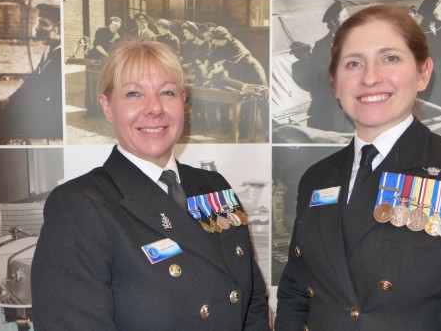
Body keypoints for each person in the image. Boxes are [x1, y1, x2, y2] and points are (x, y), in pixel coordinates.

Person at [275, 4, 441, 330]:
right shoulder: (317, 179)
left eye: (390, 58)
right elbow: (296, 293)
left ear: (423, 72)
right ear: (335, 82)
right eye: (353, 63)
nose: (370, 77)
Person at [31, 38, 270, 330]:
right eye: (134, 93)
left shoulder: (214, 186)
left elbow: (253, 300)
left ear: (183, 103)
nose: (154, 108)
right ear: (107, 107)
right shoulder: (78, 206)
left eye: (167, 92)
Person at [0, 3, 62, 144]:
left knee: (3, 119)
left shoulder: (59, 57)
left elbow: (38, 91)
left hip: (55, 118)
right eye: (38, 23)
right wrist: (10, 99)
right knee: (4, 114)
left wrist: (13, 104)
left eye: (43, 23)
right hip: (46, 109)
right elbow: (33, 80)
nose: (37, 28)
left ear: (59, 27)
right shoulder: (50, 49)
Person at [205, 26, 268, 138]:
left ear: (223, 38)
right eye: (214, 40)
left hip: (253, 72)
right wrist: (205, 67)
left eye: (217, 40)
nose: (215, 42)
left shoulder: (235, 45)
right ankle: (244, 132)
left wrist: (212, 73)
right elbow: (212, 56)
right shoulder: (221, 44)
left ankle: (268, 130)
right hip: (242, 73)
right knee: (245, 103)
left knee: (263, 102)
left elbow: (227, 65)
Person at [306, 0, 354, 133]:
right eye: (344, 17)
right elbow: (315, 76)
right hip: (332, 103)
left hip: (354, 99)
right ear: (333, 23)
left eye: (347, 16)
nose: (348, 19)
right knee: (338, 135)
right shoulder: (321, 46)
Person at [416, 0, 441, 111]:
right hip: (430, 77)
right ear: (431, 11)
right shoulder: (419, 32)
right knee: (433, 106)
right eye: (440, 8)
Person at [85, 16, 122, 116]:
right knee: (93, 83)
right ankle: (92, 108)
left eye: (117, 27)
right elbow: (97, 45)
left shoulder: (117, 36)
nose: (115, 28)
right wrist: (107, 55)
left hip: (107, 60)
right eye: (114, 26)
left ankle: (103, 108)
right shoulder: (101, 31)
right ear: (109, 24)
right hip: (97, 56)